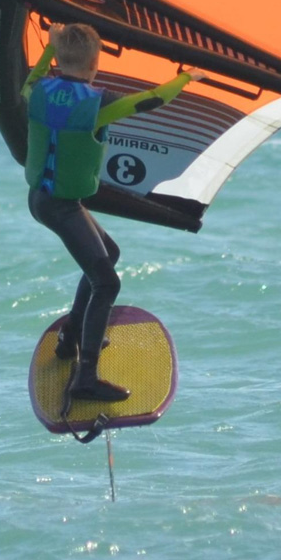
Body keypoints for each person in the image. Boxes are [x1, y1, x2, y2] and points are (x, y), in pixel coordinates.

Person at [22, 22, 204, 406]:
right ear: (95, 62)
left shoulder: (36, 90)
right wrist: (187, 76)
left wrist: (49, 49)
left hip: (42, 198)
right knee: (108, 283)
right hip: (62, 206)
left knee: (109, 255)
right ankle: (85, 377)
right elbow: (151, 100)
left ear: (61, 57)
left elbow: (32, 78)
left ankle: (72, 335)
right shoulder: (96, 105)